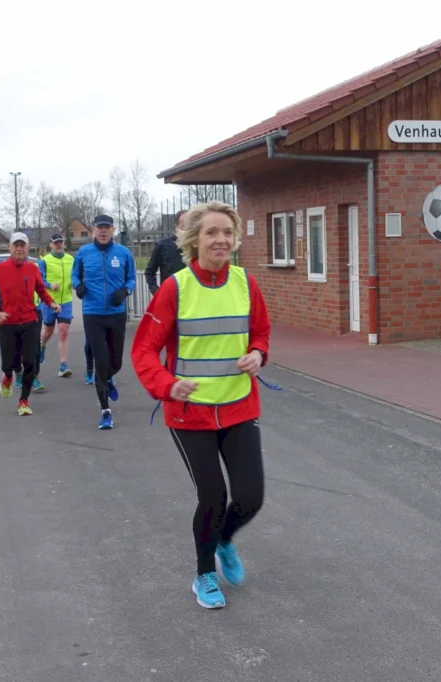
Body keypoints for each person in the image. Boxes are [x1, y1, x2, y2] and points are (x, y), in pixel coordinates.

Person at [131, 201, 271, 609]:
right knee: (211, 494)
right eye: (211, 232)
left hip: (238, 405)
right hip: (189, 413)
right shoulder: (176, 288)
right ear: (194, 239)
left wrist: (259, 353)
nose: (221, 239)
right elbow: (144, 350)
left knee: (250, 496)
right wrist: (166, 384)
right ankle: (204, 573)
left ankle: (224, 539)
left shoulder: (246, 283)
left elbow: (260, 332)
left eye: (227, 232)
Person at [0, 232, 60, 416]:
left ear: (27, 248)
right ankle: (8, 375)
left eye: (22, 245)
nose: (19, 249)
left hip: (29, 321)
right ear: (9, 247)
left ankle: (24, 400)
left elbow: (41, 290)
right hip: (7, 323)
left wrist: (51, 303)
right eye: (15, 245)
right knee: (9, 362)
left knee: (30, 361)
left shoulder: (33, 269)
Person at [71, 214, 136, 429]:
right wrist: (78, 286)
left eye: (107, 228)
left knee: (115, 362)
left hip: (116, 312)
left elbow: (132, 278)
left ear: (113, 230)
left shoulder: (123, 253)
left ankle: (108, 378)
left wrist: (125, 291)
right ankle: (105, 411)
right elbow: (75, 276)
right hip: (93, 313)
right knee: (100, 360)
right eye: (99, 228)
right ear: (93, 230)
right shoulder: (83, 253)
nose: (103, 231)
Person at [38, 233, 76, 378]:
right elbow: (39, 280)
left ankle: (63, 365)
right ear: (51, 245)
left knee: (63, 331)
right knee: (48, 331)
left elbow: (75, 276)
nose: (59, 245)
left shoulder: (70, 259)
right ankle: (42, 345)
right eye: (56, 243)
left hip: (66, 301)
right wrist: (49, 285)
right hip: (49, 302)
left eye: (61, 242)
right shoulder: (45, 261)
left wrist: (75, 283)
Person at [144, 209, 187, 295]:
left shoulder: (197, 246)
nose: (187, 230)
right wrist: (157, 292)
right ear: (176, 226)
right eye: (183, 226)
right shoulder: (162, 245)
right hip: (170, 297)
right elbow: (149, 272)